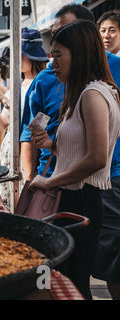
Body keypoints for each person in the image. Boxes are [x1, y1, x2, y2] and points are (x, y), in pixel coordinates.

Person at [30, 20, 120, 300]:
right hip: (73, 199)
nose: (51, 62)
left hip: (80, 201)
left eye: (58, 55)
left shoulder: (93, 95)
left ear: (79, 54)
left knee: (72, 283)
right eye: (51, 54)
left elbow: (96, 158)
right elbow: (81, 151)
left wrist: (50, 181)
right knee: (62, 281)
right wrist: (52, 145)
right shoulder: (84, 92)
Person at [20, 4, 120, 182]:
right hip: (53, 178)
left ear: (86, 36)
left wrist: (50, 184)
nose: (59, 40)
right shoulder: (45, 79)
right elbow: (35, 127)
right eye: (55, 34)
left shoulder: (96, 89)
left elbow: (96, 158)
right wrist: (31, 180)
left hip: (103, 182)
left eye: (67, 33)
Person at [0, 28, 48, 210]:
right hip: (10, 149)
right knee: (8, 202)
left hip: (30, 149)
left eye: (20, 55)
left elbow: (37, 122)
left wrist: (4, 100)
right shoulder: (17, 85)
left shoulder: (43, 82)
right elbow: (3, 124)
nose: (15, 60)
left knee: (26, 203)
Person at [92, 9, 120, 300]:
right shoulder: (93, 68)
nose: (107, 36)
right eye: (103, 30)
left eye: (113, 30)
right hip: (103, 173)